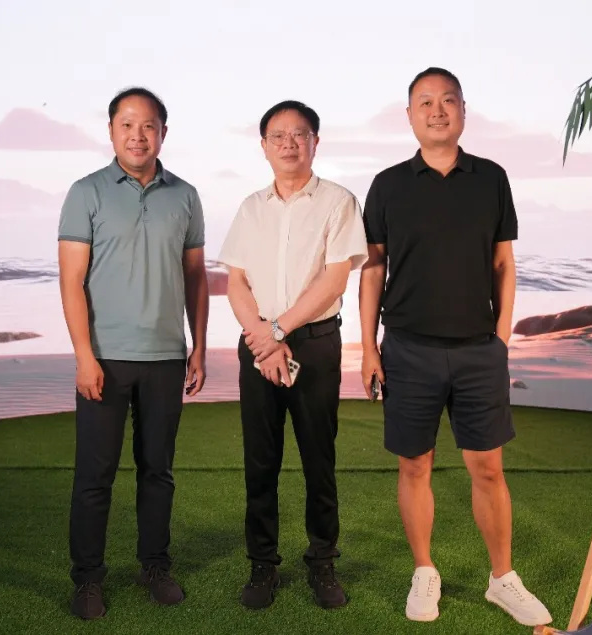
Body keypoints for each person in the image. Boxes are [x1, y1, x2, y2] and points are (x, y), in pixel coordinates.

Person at [357, 67, 552, 627]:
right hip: (407, 347)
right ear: (410, 115)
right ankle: (425, 569)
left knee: (488, 468)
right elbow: (373, 268)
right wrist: (368, 348)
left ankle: (502, 578)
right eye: (425, 102)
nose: (437, 110)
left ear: (464, 110)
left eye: (447, 101)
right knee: (414, 465)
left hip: (477, 350)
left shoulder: (491, 178)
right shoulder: (388, 184)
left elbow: (503, 263)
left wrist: (501, 339)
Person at [57, 86, 209, 620]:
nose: (137, 135)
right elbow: (71, 281)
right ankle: (87, 579)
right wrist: (84, 355)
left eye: (148, 126)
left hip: (166, 357)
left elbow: (196, 278)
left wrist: (198, 348)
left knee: (157, 471)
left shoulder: (185, 195)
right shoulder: (86, 193)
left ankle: (155, 567)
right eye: (127, 125)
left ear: (163, 133)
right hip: (104, 357)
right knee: (94, 476)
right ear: (111, 131)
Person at [217, 99, 368, 611]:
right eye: (277, 136)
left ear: (315, 142)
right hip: (258, 344)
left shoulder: (338, 201)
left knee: (318, 459)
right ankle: (262, 565)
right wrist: (262, 338)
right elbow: (236, 281)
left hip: (316, 343)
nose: (288, 143)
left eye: (299, 134)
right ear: (263, 146)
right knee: (260, 461)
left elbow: (336, 278)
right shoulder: (250, 207)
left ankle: (322, 563)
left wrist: (279, 330)